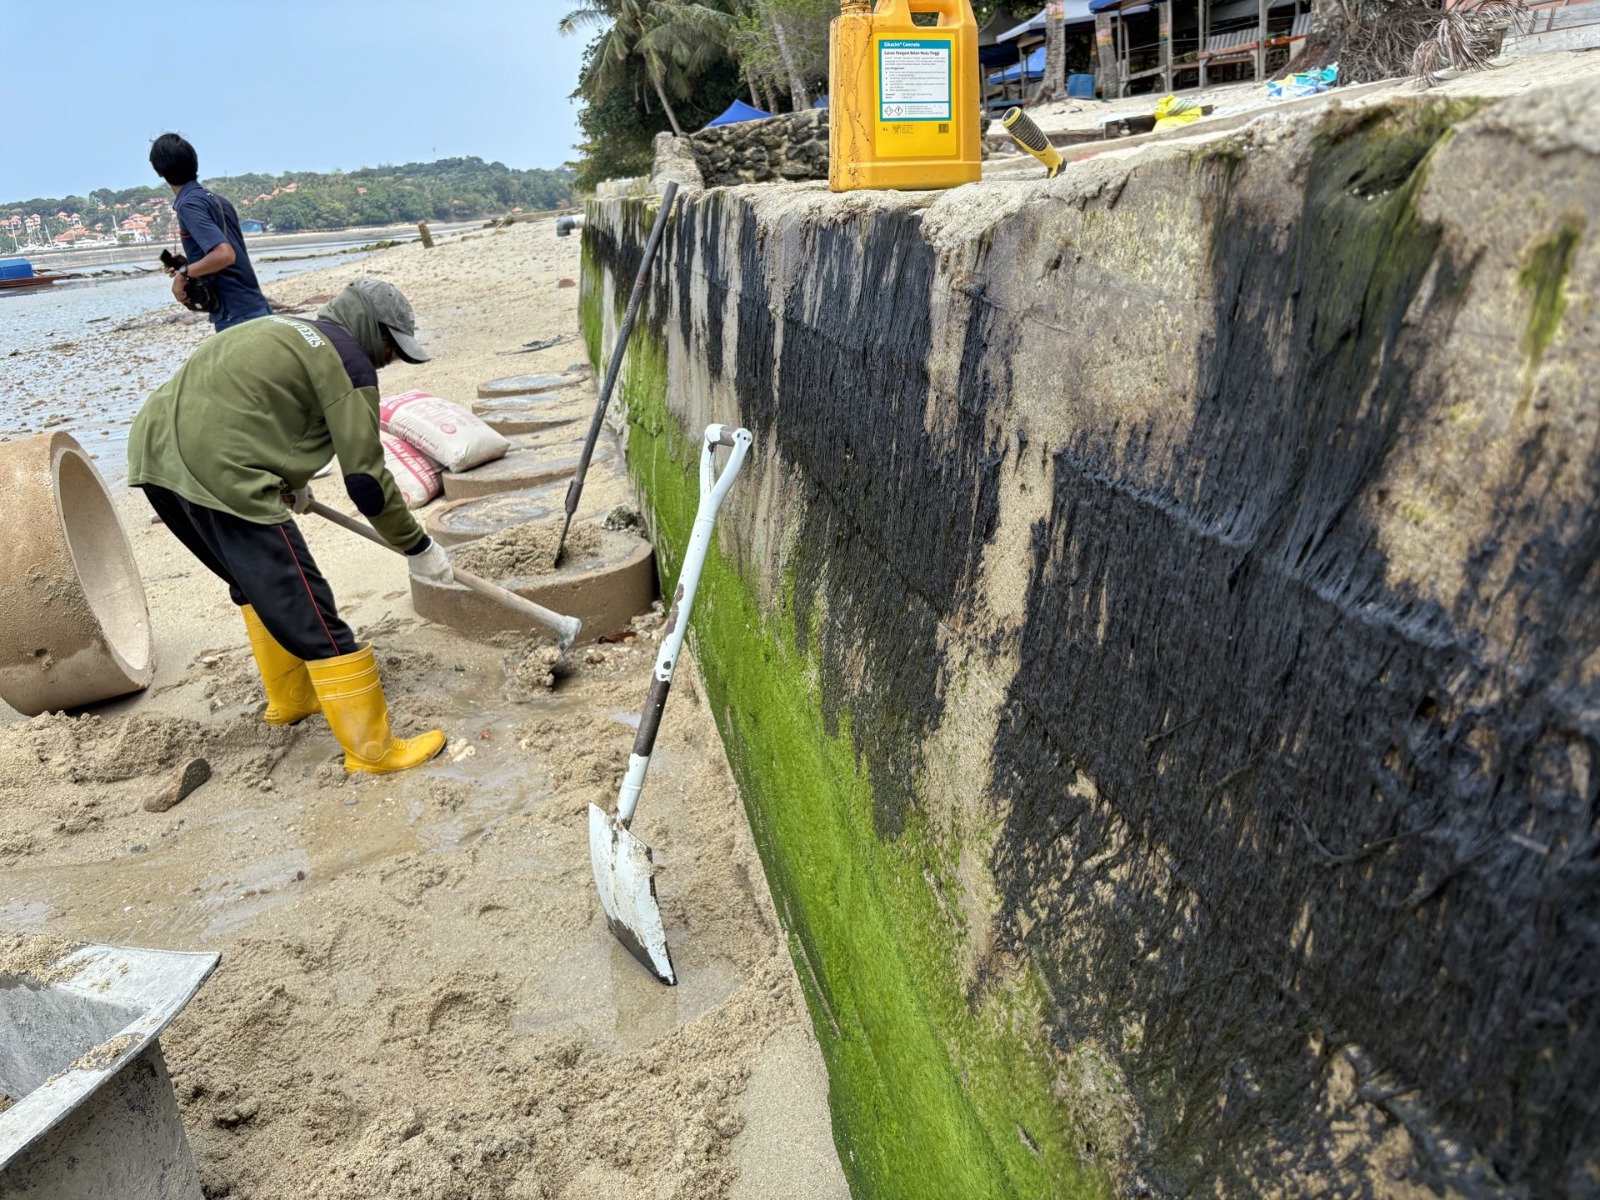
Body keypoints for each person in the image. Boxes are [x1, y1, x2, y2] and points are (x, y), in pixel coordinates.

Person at [126, 279, 454, 774]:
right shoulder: (349, 361)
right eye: (393, 346)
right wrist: (418, 545)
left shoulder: (283, 330)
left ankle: (292, 698)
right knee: (311, 610)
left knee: (253, 584)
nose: (391, 359)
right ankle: (373, 751)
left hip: (155, 459)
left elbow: (253, 411)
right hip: (222, 473)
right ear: (374, 329)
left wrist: (290, 481)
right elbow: (367, 483)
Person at [149, 133, 271, 331]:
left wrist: (182, 275)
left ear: (158, 170)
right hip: (254, 306)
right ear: (194, 162)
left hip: (235, 314)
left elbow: (224, 255)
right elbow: (228, 256)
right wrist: (190, 265)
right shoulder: (217, 200)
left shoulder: (189, 205)